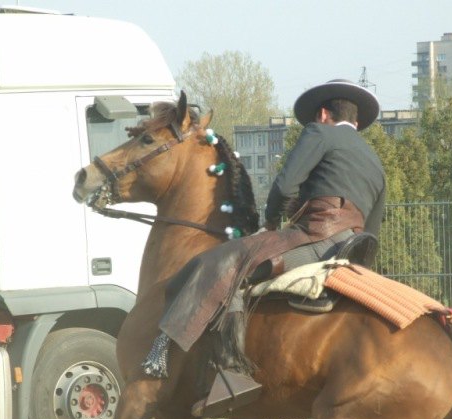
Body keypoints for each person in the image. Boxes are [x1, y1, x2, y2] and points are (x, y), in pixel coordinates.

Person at [142, 79, 387, 378]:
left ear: (323, 115)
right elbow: (372, 227)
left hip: (318, 238)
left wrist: (270, 223)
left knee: (223, 263)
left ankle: (216, 367)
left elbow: (285, 187)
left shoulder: (319, 132)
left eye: (317, 118)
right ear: (357, 121)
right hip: (353, 250)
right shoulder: (375, 161)